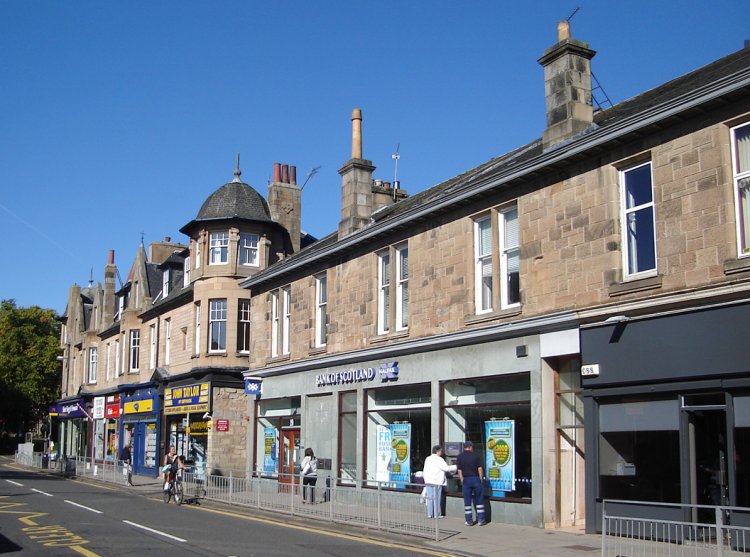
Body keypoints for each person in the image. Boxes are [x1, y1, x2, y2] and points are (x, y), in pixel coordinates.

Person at [456, 440, 486, 526]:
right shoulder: (476, 456)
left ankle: (469, 520)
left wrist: (462, 479)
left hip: (466, 480)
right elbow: (479, 468)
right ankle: (481, 520)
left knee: (467, 500)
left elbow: (459, 470)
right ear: (471, 447)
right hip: (475, 479)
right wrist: (480, 478)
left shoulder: (460, 457)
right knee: (479, 499)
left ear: (464, 447)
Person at [422, 445, 457, 519]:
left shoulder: (427, 458)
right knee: (437, 499)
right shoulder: (439, 459)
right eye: (441, 451)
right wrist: (457, 466)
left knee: (430, 498)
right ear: (438, 451)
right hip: (437, 481)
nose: (442, 452)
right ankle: (437, 514)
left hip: (428, 481)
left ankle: (430, 514)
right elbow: (446, 468)